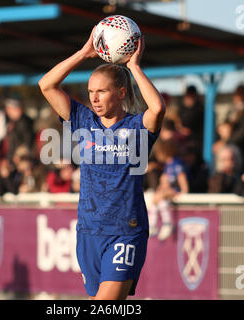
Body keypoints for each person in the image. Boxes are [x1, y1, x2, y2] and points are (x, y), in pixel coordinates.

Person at [38, 29, 165, 300]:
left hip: (125, 231)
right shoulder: (82, 121)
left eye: (102, 91)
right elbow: (46, 85)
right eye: (91, 92)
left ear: (120, 93)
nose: (94, 98)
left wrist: (134, 67)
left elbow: (157, 109)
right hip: (88, 231)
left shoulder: (136, 128)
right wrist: (84, 53)